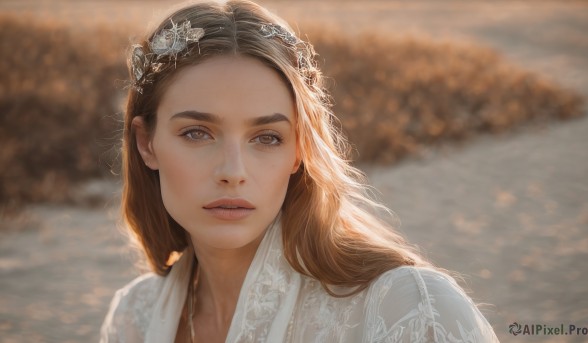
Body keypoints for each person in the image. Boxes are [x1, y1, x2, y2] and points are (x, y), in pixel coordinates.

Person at [100, 0, 499, 342]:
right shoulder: (134, 316)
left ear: (299, 150)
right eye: (197, 133)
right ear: (146, 143)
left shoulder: (407, 309)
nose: (233, 172)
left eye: (267, 137)